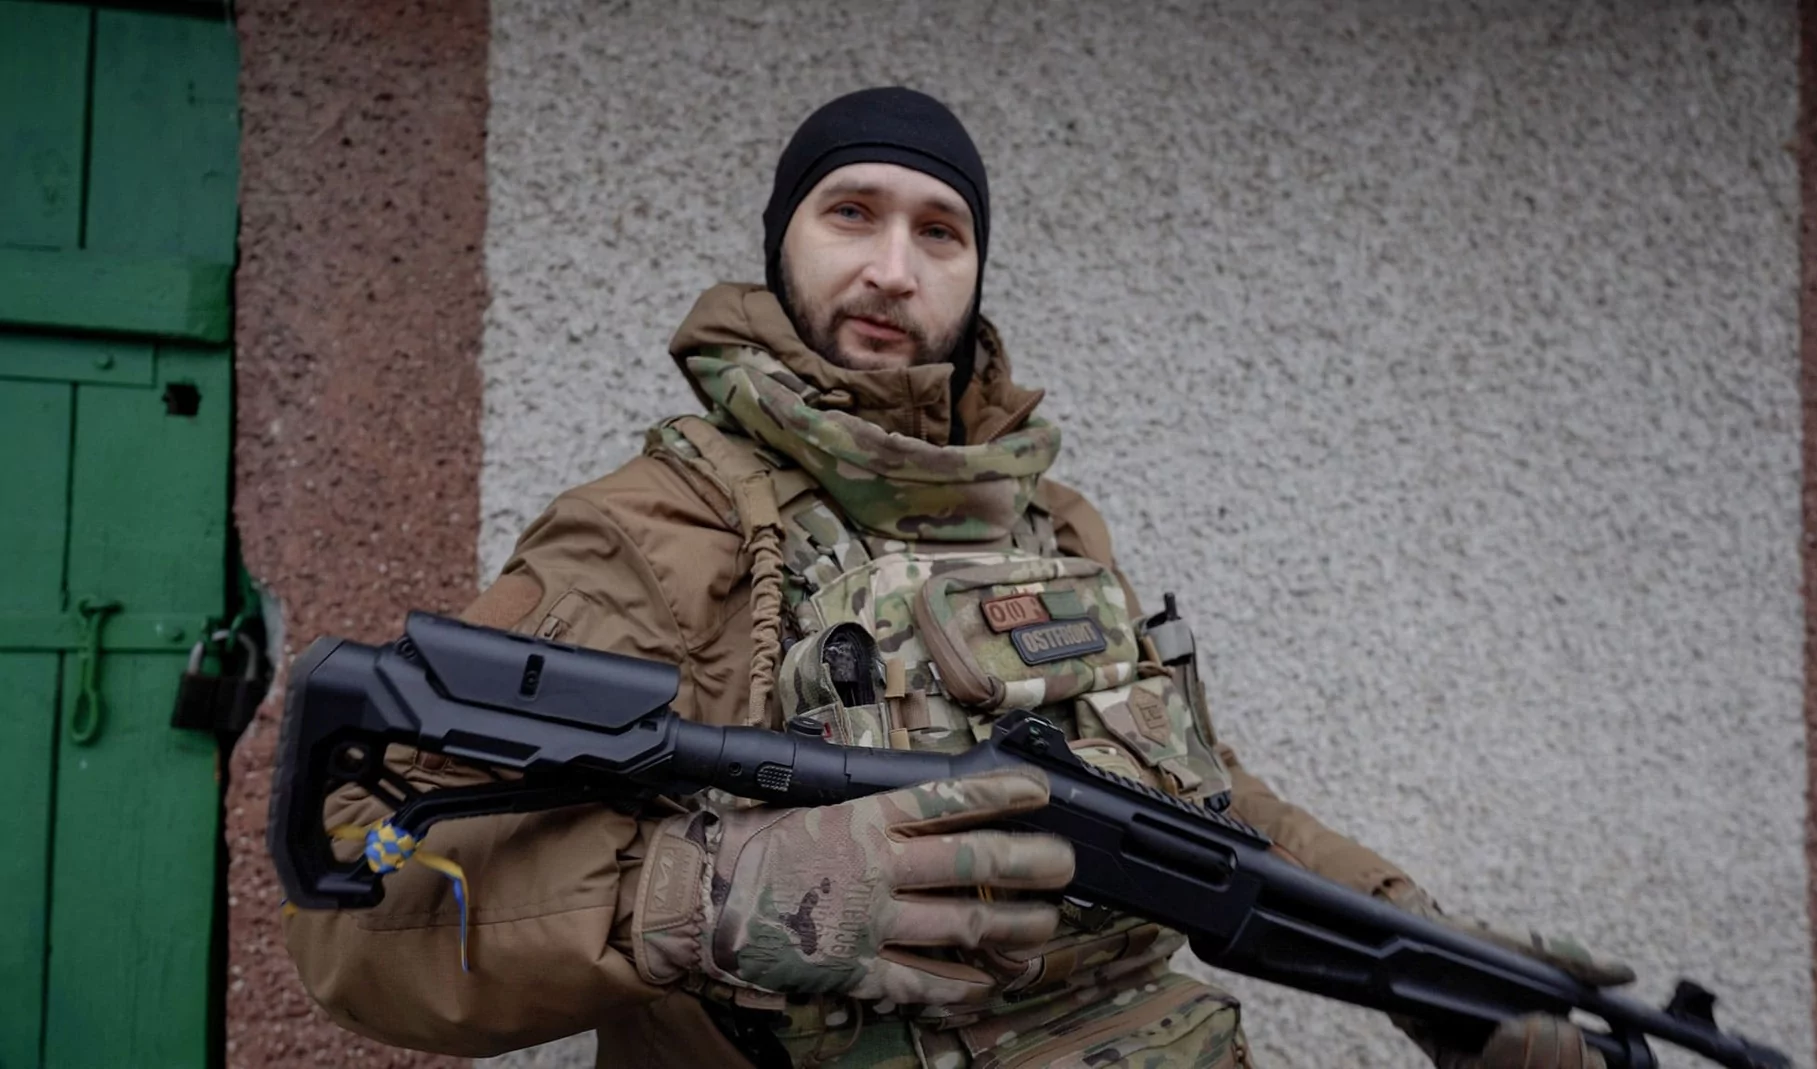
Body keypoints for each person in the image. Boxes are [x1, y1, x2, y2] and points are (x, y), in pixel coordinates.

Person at [287, 87, 1629, 1069]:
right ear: (782, 246)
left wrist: (1430, 956)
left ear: (976, 271)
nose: (893, 268)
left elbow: (1194, 797)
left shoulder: (1048, 520)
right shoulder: (654, 534)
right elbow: (365, 923)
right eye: (851, 214)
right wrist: (703, 898)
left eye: (940, 231)